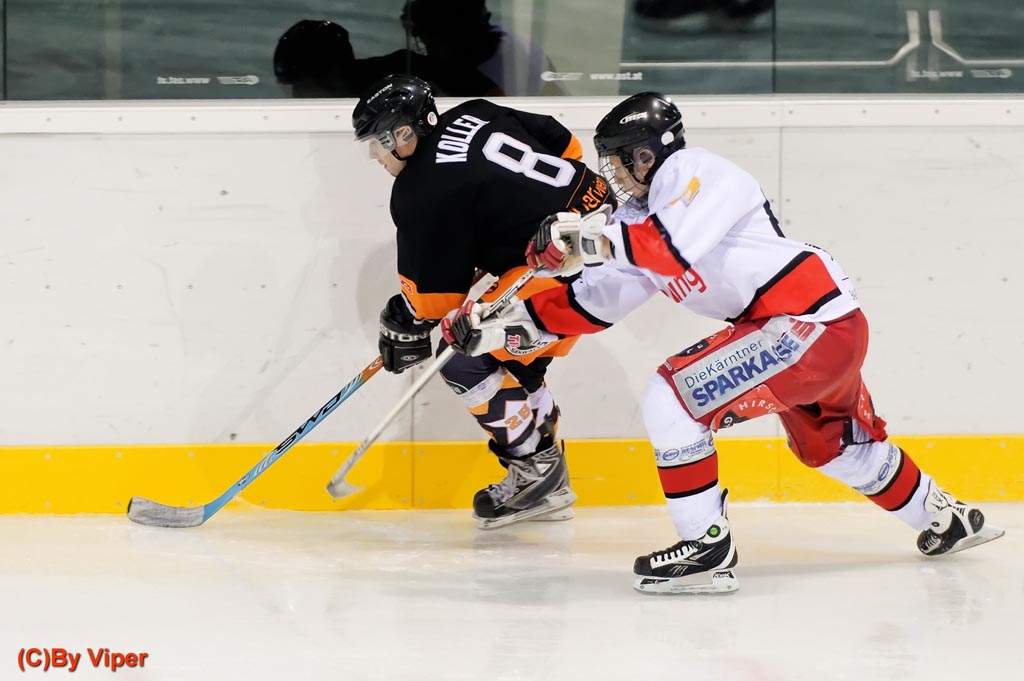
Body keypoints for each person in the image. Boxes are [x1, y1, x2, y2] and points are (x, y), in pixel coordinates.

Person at [443, 92, 1004, 592]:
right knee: (835, 447)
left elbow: (667, 250)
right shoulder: (637, 218)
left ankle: (707, 547)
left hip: (802, 320)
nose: (612, 175)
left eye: (617, 160)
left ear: (647, 155)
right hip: (814, 328)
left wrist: (583, 238)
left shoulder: (696, 172)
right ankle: (946, 517)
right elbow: (595, 303)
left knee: (673, 397)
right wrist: (496, 327)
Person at [353, 74, 613, 529]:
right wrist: (518, 223)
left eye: (379, 142)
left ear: (404, 134)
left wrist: (407, 315)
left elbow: (437, 304)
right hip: (607, 227)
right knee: (514, 362)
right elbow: (567, 146)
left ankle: (536, 472)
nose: (375, 155)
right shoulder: (475, 111)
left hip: (561, 266)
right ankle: (546, 476)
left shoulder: (419, 190)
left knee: (462, 353)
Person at [274, 19, 500, 98]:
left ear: (330, 76)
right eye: (292, 88)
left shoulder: (403, 70)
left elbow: (491, 93)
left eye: (300, 87)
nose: (297, 96)